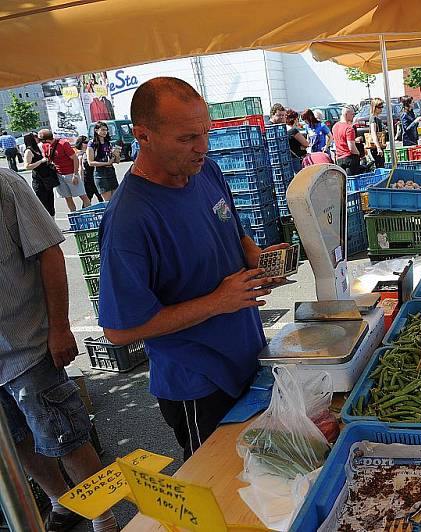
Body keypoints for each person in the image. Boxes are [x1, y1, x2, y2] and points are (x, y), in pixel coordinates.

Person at [97, 77, 287, 460]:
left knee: (267, 472)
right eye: (186, 139)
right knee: (220, 483)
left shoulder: (206, 171)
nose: (202, 148)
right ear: (143, 135)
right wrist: (219, 301)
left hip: (250, 357)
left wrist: (257, 258)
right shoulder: (129, 220)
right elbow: (118, 330)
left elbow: (235, 234)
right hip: (198, 384)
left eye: (204, 133)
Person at [0, 167, 118, 532]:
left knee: (65, 434)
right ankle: (61, 502)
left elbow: (50, 252)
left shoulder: (6, 186)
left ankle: (105, 518)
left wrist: (61, 328)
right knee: (15, 439)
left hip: (27, 345)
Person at [39, 129, 90, 212]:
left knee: (82, 195)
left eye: (41, 140)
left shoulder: (63, 143)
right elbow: (47, 159)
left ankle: (89, 214)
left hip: (70, 173)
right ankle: (74, 215)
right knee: (67, 198)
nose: (40, 142)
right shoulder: (45, 146)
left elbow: (75, 158)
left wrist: (75, 174)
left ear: (46, 140)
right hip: (58, 175)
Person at [23, 132, 56, 216]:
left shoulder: (37, 148)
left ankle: (53, 225)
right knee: (44, 203)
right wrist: (41, 161)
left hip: (47, 179)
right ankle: (47, 226)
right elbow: (27, 166)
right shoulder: (28, 151)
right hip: (39, 180)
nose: (37, 138)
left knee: (50, 202)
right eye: (35, 137)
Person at [86, 121, 119, 200]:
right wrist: (106, 163)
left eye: (106, 130)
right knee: (108, 201)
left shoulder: (108, 143)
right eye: (103, 130)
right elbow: (90, 162)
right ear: (96, 130)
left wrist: (116, 155)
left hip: (111, 171)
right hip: (100, 173)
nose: (105, 132)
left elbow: (117, 161)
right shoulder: (92, 143)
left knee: (116, 199)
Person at [332, 105, 365, 176]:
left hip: (339, 158)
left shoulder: (335, 127)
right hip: (350, 158)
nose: (353, 116)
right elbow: (351, 147)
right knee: (352, 182)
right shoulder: (349, 128)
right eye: (352, 114)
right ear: (346, 114)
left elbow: (341, 140)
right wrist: (358, 154)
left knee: (344, 182)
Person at [73, 136, 103, 203]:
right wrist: (82, 182)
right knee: (87, 200)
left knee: (101, 198)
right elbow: (81, 169)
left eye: (88, 142)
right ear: (81, 144)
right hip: (88, 180)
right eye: (85, 142)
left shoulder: (91, 151)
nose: (88, 143)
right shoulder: (80, 155)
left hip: (96, 177)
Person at [285, 109, 309, 174]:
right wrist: (302, 146)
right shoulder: (293, 131)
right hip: (297, 159)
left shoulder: (284, 130)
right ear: (295, 119)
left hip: (290, 158)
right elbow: (306, 144)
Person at [367, 98, 386, 168]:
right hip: (376, 147)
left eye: (382, 107)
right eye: (380, 107)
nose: (381, 109)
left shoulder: (377, 118)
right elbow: (373, 133)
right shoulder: (373, 119)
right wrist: (378, 147)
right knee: (379, 166)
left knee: (381, 164)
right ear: (375, 107)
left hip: (378, 146)